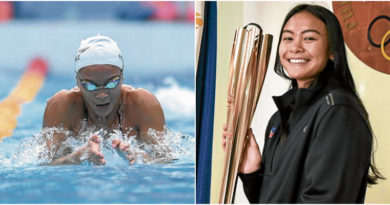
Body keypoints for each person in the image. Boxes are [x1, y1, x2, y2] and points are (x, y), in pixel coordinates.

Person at [222, 4, 384, 203]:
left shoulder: (339, 111)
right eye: (288, 38)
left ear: (332, 51)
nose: (295, 47)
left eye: (309, 38)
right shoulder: (279, 119)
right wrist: (252, 172)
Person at [42, 34, 166, 166]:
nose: (101, 95)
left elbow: (165, 160)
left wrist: (136, 155)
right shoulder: (62, 105)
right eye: (90, 85)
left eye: (111, 83)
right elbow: (46, 166)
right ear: (77, 81)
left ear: (122, 77)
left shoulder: (142, 104)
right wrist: (77, 157)